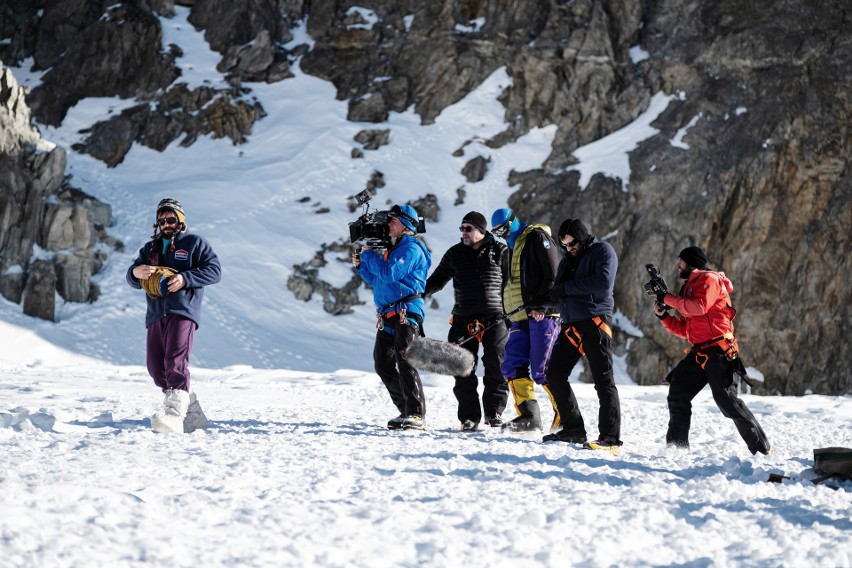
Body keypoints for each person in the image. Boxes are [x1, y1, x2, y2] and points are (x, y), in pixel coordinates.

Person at [650, 246, 771, 455]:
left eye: (680, 261)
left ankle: (761, 447)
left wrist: (667, 298)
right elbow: (685, 329)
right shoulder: (687, 288)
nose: (677, 265)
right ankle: (676, 448)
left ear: (691, 263)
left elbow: (699, 307)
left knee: (727, 401)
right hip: (700, 352)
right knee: (678, 392)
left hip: (720, 351)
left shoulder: (709, 280)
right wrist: (664, 316)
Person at [127, 198, 222, 433]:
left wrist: (185, 278)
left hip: (183, 311)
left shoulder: (194, 243)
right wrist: (135, 272)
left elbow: (214, 270)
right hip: (156, 313)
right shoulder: (150, 249)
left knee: (175, 362)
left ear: (180, 219)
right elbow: (133, 278)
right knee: (155, 367)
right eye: (162, 220)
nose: (166, 223)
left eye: (171, 219)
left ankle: (175, 415)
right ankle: (193, 414)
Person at [424, 211, 510, 431]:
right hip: (464, 316)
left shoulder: (500, 250)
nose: (463, 233)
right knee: (461, 368)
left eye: (468, 228)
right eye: (461, 228)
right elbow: (437, 280)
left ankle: (494, 413)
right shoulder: (454, 253)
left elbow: (512, 284)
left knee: (495, 365)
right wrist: (417, 293)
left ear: (481, 230)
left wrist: (510, 315)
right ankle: (469, 418)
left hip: (496, 316)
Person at [543, 218, 622, 451]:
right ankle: (573, 429)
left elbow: (603, 283)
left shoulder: (602, 251)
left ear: (582, 236)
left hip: (595, 322)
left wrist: (565, 289)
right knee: (555, 375)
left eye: (571, 243)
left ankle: (610, 438)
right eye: (564, 245)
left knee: (603, 381)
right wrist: (541, 304)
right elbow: (559, 295)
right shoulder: (567, 261)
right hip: (571, 325)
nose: (568, 249)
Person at [353, 204, 432, 430]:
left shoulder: (411, 248)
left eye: (392, 221)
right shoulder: (394, 248)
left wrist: (369, 255)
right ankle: (405, 410)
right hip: (388, 313)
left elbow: (389, 273)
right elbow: (379, 281)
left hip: (406, 311)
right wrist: (362, 266)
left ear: (405, 224)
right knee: (383, 363)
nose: (388, 224)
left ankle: (417, 414)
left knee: (405, 359)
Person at [489, 208, 561, 432]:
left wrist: (542, 304)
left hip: (542, 313)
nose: (501, 234)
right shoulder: (511, 246)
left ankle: (566, 417)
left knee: (543, 368)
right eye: (496, 232)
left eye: (502, 229)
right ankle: (529, 416)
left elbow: (552, 273)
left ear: (512, 223)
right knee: (512, 364)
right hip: (520, 316)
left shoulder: (536, 237)